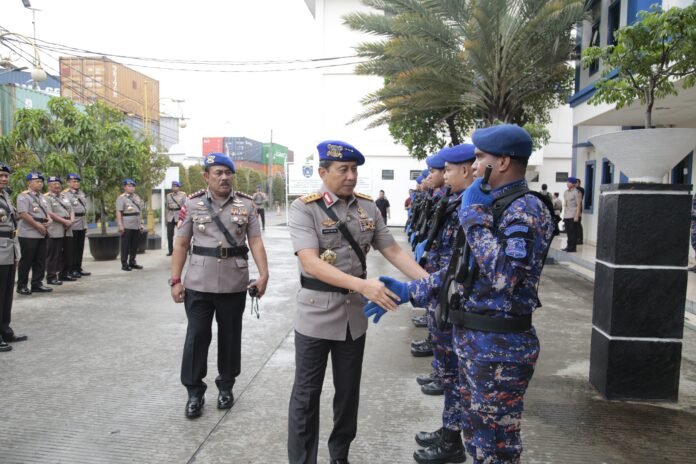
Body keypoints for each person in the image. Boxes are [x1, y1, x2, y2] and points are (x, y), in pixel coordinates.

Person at [366, 124, 555, 464]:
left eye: (480, 157)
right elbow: (463, 272)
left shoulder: (525, 209)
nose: (474, 165)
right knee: (477, 440)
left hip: (500, 348)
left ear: (502, 163)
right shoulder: (492, 206)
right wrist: (411, 290)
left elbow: (506, 277)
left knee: (495, 449)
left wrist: (473, 220)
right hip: (475, 341)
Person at [287, 140, 427, 464]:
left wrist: (431, 283)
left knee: (348, 394)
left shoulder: (368, 207)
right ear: (323, 172)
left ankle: (340, 456)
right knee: (306, 396)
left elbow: (394, 251)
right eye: (343, 170)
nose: (351, 176)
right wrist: (363, 285)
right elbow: (311, 263)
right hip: (315, 314)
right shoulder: (304, 208)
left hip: (353, 319)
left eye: (354, 170)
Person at [170, 153, 269, 419]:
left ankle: (226, 386)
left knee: (230, 336)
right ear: (207, 176)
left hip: (233, 283)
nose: (224, 177)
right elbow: (181, 243)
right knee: (197, 337)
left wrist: (264, 274)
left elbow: (255, 242)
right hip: (198, 283)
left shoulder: (246, 205)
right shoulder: (192, 204)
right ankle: (194, 392)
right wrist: (176, 280)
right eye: (218, 173)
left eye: (228, 173)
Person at [411, 143, 476, 463]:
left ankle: (453, 440)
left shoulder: (475, 205)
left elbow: (464, 264)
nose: (443, 175)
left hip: (457, 299)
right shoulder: (456, 200)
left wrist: (418, 288)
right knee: (450, 374)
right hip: (443, 290)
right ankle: (450, 432)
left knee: (456, 376)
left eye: (447, 170)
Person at [0, 162, 27, 351]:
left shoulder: (6, 196)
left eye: (5, 176)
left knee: (7, 292)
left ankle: (5, 330)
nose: (3, 178)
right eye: (0, 175)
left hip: (9, 246)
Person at [16, 172, 53, 295]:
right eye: (37, 181)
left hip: (42, 231)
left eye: (41, 181)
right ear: (29, 183)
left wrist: (49, 220)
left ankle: (37, 284)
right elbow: (23, 214)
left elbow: (47, 212)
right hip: (29, 233)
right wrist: (38, 226)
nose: (40, 184)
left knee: (40, 259)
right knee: (27, 260)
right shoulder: (23, 196)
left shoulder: (42, 197)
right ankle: (22, 285)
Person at [44, 176, 75, 285]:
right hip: (56, 227)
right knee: (54, 254)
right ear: (49, 186)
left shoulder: (64, 196)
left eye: (58, 184)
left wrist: (71, 221)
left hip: (68, 227)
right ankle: (51, 276)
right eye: (54, 184)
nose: (57, 186)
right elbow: (49, 212)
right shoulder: (46, 198)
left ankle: (64, 274)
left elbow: (71, 210)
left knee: (68, 252)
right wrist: (64, 221)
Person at [63, 173, 90, 279]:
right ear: (68, 182)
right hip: (73, 223)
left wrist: (85, 224)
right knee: (72, 248)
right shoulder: (65, 194)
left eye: (77, 181)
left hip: (81, 222)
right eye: (74, 181)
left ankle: (78, 268)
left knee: (80, 247)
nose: (76, 183)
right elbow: (67, 210)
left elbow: (84, 210)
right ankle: (72, 269)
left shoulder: (81, 193)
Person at [116, 179, 145, 271]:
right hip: (127, 224)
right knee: (125, 245)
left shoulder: (136, 197)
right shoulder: (121, 198)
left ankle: (132, 261)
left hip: (136, 223)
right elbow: (119, 212)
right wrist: (120, 225)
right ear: (124, 187)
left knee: (134, 245)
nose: (131, 188)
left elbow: (140, 211)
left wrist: (141, 223)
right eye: (129, 186)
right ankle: (124, 264)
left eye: (133, 186)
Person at [165, 181, 187, 256]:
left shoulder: (183, 195)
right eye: (173, 186)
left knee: (182, 234)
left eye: (175, 186)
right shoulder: (168, 195)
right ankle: (170, 251)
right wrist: (166, 219)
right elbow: (167, 207)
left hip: (179, 216)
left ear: (178, 187)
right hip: (170, 217)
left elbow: (185, 206)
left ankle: (186, 248)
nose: (174, 188)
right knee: (169, 235)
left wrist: (185, 218)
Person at [562, 177, 582, 252]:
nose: (567, 183)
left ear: (573, 184)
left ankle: (572, 248)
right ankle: (568, 246)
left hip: (573, 215)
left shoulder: (577, 192)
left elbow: (578, 205)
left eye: (569, 182)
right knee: (568, 232)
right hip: (567, 215)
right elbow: (565, 204)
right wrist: (564, 215)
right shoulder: (566, 192)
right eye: (567, 182)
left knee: (573, 232)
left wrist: (577, 216)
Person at [576, 179, 585, 244]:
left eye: (577, 183)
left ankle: (580, 239)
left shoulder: (581, 189)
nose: (575, 184)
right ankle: (576, 238)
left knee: (578, 224)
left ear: (579, 183)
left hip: (578, 209)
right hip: (574, 209)